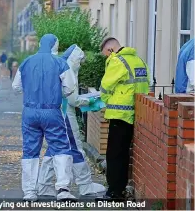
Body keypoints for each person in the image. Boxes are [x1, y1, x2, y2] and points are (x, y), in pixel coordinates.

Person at [12, 34, 77, 201]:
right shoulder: (59, 63)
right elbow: (70, 87)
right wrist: (58, 92)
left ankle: (29, 192)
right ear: (54, 45)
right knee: (61, 147)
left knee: (30, 150)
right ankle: (63, 189)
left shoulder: (26, 62)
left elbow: (16, 87)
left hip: (30, 112)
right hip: (51, 112)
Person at [37, 44, 106, 198]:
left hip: (54, 113)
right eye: (80, 61)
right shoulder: (68, 70)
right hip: (65, 115)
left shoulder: (58, 66)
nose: (81, 65)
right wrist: (89, 101)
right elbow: (73, 99)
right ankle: (85, 184)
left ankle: (43, 184)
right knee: (76, 148)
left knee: (53, 149)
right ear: (75, 59)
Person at [97, 37, 150, 201]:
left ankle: (113, 193)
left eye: (106, 54)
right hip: (136, 113)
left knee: (113, 155)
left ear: (110, 50)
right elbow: (145, 85)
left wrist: (104, 99)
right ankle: (118, 190)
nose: (107, 57)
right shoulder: (139, 60)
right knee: (123, 154)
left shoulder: (117, 61)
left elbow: (105, 87)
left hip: (119, 115)